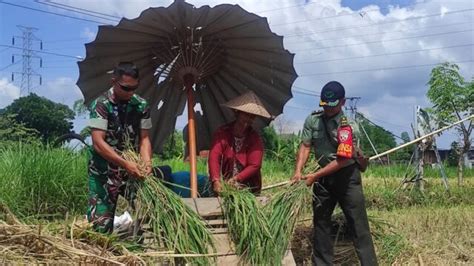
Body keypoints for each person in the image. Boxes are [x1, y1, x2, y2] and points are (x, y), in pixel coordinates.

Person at [291, 81, 377, 265]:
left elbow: (343, 160)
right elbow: (306, 145)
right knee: (321, 223)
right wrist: (298, 171)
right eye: (325, 105)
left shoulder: (347, 127)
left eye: (333, 106)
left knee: (358, 225)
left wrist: (315, 176)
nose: (328, 110)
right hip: (322, 179)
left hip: (346, 178)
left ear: (342, 102)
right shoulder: (312, 120)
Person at [87, 62, 153, 233]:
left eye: (134, 88)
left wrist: (146, 162)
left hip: (131, 171)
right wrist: (124, 164)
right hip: (103, 172)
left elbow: (144, 139)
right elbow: (98, 143)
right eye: (125, 88)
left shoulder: (141, 105)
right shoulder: (100, 105)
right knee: (100, 225)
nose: (130, 93)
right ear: (113, 81)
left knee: (143, 215)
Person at [209, 91, 271, 195]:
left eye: (252, 116)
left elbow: (255, 165)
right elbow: (214, 157)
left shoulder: (254, 137)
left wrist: (237, 179)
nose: (249, 119)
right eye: (246, 114)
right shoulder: (222, 133)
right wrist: (216, 180)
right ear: (236, 112)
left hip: (248, 187)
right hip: (224, 183)